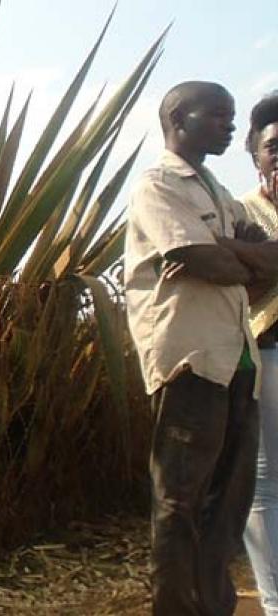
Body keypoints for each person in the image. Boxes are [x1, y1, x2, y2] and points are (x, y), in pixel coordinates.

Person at [124, 81, 278, 616]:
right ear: (177, 118)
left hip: (237, 361)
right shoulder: (158, 185)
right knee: (180, 505)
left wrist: (225, 252)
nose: (230, 126)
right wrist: (233, 258)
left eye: (232, 116)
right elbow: (201, 259)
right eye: (217, 115)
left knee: (229, 505)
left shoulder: (217, 192)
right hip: (191, 362)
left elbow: (263, 259)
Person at [241, 92, 278, 616]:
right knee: (265, 486)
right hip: (266, 357)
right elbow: (235, 284)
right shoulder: (239, 211)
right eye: (273, 146)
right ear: (255, 156)